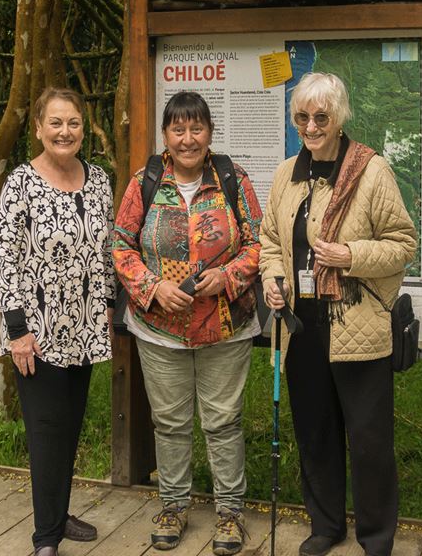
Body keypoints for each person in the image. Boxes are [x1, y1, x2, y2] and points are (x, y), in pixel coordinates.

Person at [259, 72, 417, 556]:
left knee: (369, 439)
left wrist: (349, 255)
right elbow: (268, 241)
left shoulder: (371, 171)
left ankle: (375, 536)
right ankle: (326, 526)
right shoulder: (287, 174)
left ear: (339, 117)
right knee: (315, 431)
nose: (311, 125)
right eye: (302, 117)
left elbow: (402, 244)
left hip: (359, 324)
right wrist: (272, 278)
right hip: (302, 326)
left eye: (321, 116)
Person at [113, 91, 263, 556]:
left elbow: (260, 243)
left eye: (196, 128)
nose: (187, 138)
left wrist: (229, 276)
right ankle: (174, 505)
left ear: (210, 133)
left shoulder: (233, 180)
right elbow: (120, 244)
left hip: (225, 325)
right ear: (165, 135)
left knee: (222, 421)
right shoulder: (145, 182)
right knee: (171, 422)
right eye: (178, 129)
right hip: (160, 327)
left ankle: (229, 512)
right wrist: (152, 288)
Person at [0, 86, 114, 556]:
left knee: (70, 426)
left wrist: (104, 304)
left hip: (83, 325)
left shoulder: (99, 180)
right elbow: (4, 259)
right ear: (39, 128)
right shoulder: (21, 183)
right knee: (45, 430)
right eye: (56, 123)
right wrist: (19, 330)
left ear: (84, 127)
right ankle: (45, 538)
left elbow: (104, 253)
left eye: (74, 123)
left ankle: (59, 514)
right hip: (37, 332)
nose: (65, 132)